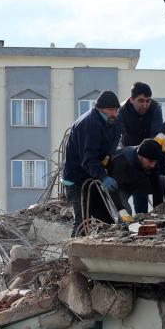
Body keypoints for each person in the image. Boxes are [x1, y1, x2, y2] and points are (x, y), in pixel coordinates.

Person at [62, 90, 122, 236]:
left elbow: (113, 143)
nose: (113, 113)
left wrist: (108, 160)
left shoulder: (113, 121)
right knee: (83, 222)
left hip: (93, 175)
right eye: (110, 110)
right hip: (76, 179)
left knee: (106, 220)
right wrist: (103, 177)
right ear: (99, 109)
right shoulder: (89, 123)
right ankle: (73, 255)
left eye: (115, 110)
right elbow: (88, 159)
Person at [116, 82, 165, 211]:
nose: (145, 105)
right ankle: (141, 221)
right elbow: (121, 136)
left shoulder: (155, 108)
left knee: (161, 185)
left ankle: (161, 216)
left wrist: (150, 158)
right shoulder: (121, 111)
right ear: (131, 100)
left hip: (152, 152)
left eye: (147, 101)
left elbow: (155, 136)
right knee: (140, 193)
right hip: (134, 157)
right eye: (141, 101)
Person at [107, 139, 165, 223]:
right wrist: (121, 209)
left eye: (155, 162)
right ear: (140, 156)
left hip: (138, 183)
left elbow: (156, 185)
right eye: (151, 161)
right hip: (120, 188)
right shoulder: (122, 160)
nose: (153, 165)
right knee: (126, 214)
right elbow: (112, 190)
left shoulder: (151, 160)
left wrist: (158, 212)